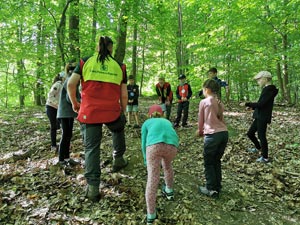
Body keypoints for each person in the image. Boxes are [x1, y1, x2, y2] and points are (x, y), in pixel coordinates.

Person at [67, 36, 128, 202]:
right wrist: (123, 110)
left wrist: (75, 103)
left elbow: (71, 84)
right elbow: (123, 94)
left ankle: (93, 188)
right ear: (111, 49)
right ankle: (119, 158)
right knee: (118, 127)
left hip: (90, 112)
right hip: (111, 111)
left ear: (98, 47)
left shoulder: (85, 61)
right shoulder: (119, 66)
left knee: (92, 148)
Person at [141, 104, 179, 224]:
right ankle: (169, 191)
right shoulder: (167, 121)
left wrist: (145, 158)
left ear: (150, 114)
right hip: (172, 146)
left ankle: (151, 214)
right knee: (167, 166)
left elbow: (143, 142)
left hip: (154, 147)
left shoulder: (147, 122)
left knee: (153, 176)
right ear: (162, 114)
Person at [196, 79, 228, 198]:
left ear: (207, 90)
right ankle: (217, 185)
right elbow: (221, 120)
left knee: (209, 162)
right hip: (224, 134)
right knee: (216, 160)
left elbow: (201, 120)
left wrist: (200, 131)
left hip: (212, 135)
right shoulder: (219, 102)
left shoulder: (204, 102)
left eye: (203, 89)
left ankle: (211, 188)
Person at [242, 71, 278, 163]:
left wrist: (247, 103)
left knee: (261, 136)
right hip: (259, 115)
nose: (258, 82)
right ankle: (258, 148)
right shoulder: (266, 89)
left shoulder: (269, 90)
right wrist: (252, 107)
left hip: (263, 117)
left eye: (259, 80)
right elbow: (262, 104)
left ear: (265, 79)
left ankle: (265, 157)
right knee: (250, 133)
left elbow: (261, 104)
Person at [57, 62, 80, 167]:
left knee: (68, 135)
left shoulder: (71, 79)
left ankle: (66, 158)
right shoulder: (71, 80)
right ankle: (61, 159)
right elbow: (69, 98)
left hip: (68, 113)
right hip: (64, 113)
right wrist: (80, 102)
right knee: (65, 135)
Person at [46, 72, 64, 151]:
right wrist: (58, 104)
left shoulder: (64, 85)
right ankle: (53, 146)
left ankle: (63, 143)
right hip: (51, 108)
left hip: (58, 109)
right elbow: (50, 95)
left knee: (60, 125)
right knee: (53, 126)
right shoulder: (58, 84)